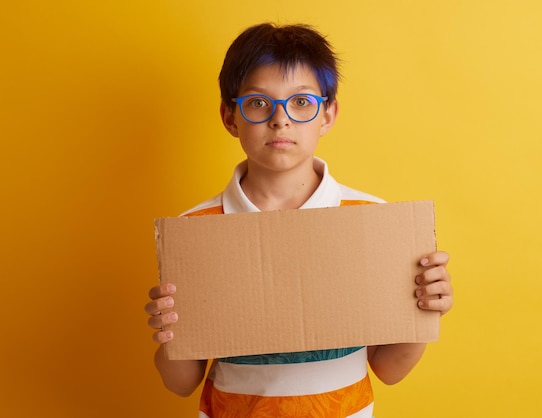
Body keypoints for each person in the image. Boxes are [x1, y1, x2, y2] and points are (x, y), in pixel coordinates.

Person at [144, 22, 453, 418]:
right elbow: (181, 382)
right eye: (258, 103)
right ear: (229, 116)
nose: (280, 120)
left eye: (302, 102)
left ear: (328, 114)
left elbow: (389, 370)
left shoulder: (370, 220)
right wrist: (170, 331)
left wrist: (422, 313)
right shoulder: (196, 229)